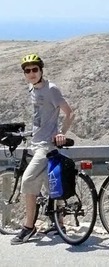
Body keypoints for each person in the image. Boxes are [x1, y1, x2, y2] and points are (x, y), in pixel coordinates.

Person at [11, 54, 75, 244]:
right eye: (27, 71)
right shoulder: (32, 88)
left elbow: (70, 113)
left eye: (34, 70)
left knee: (28, 180)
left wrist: (61, 133)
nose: (31, 73)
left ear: (41, 70)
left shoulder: (51, 89)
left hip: (47, 145)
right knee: (49, 184)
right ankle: (59, 224)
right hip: (36, 142)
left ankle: (29, 227)